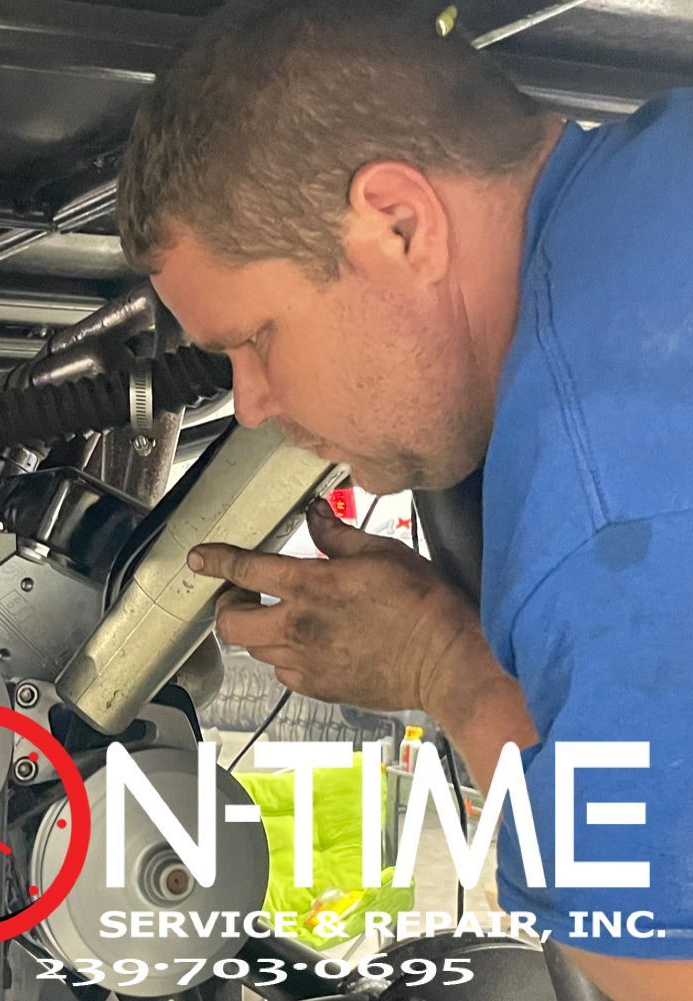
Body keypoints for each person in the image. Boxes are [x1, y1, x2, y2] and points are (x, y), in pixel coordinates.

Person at [114, 2, 693, 998]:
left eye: (257, 336)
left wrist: (447, 667)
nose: (250, 403)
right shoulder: (660, 162)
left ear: (401, 223)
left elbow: (660, 968)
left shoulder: (610, 512)